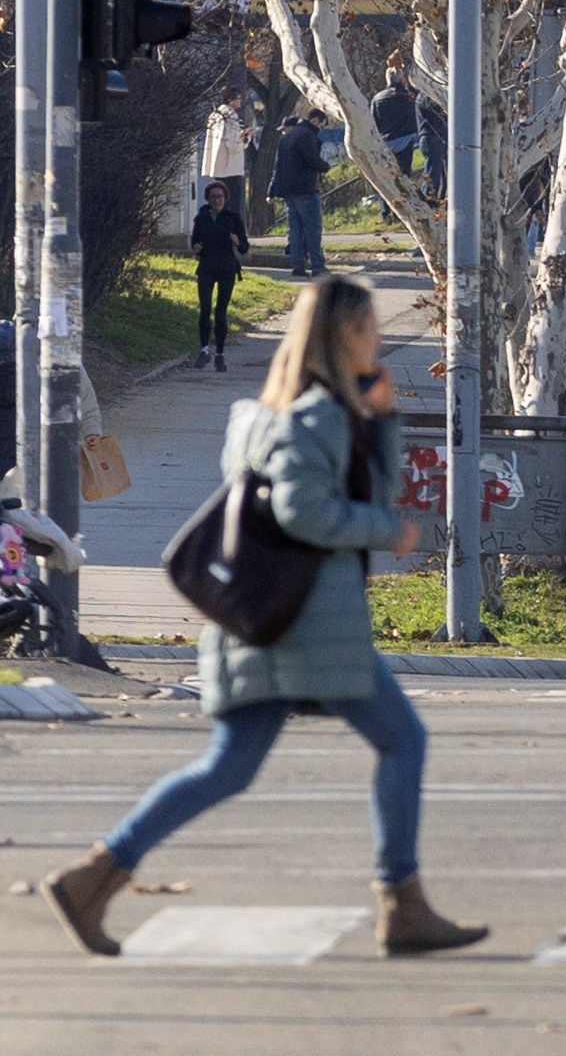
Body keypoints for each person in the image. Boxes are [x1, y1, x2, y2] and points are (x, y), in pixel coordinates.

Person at [44, 277, 485, 960]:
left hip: (274, 621)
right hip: (306, 624)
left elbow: (342, 486)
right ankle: (401, 900)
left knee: (230, 766)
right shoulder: (318, 418)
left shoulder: (276, 415)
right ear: (344, 335)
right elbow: (301, 510)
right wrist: (382, 529)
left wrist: (381, 420)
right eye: (369, 326)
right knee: (402, 741)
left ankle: (93, 875)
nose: (378, 338)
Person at [189, 180, 250, 371]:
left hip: (226, 268)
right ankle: (204, 350)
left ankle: (220, 354)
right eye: (213, 197)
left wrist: (237, 241)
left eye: (220, 197)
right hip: (207, 266)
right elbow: (195, 242)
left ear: (225, 198)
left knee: (221, 311)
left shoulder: (232, 218)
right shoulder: (202, 218)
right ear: (208, 199)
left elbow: (244, 247)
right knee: (205, 308)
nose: (217, 200)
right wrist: (196, 248)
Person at [269, 112, 330, 277]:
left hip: (287, 190)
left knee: (294, 229)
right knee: (312, 228)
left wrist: (273, 190)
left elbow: (278, 166)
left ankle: (298, 265)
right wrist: (325, 166)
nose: (321, 129)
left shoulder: (287, 137)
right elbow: (312, 160)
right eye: (322, 125)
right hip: (305, 188)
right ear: (317, 120)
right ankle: (318, 266)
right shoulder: (307, 135)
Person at [200, 98, 252, 224]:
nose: (240, 101)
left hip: (219, 167)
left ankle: (220, 228)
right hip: (232, 168)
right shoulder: (230, 117)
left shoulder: (215, 115)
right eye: (238, 98)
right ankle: (233, 232)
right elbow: (234, 146)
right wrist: (246, 137)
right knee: (233, 204)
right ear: (231, 100)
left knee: (219, 202)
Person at [370, 66, 421, 175]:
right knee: (405, 175)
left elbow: (373, 121)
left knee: (391, 175)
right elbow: (415, 116)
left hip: (386, 142)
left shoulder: (377, 98)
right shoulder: (407, 96)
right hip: (405, 140)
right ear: (401, 80)